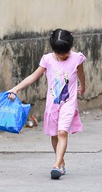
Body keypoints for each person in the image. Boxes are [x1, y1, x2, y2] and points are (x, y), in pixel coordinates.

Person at [8, 29, 86, 179]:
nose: (63, 56)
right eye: (59, 53)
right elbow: (33, 76)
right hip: (52, 105)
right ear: (53, 50)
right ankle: (61, 162)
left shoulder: (77, 58)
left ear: (71, 47)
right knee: (54, 135)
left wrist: (83, 86)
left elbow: (81, 73)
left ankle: (56, 165)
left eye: (66, 53)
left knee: (62, 132)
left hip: (68, 103)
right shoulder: (47, 60)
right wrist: (16, 88)